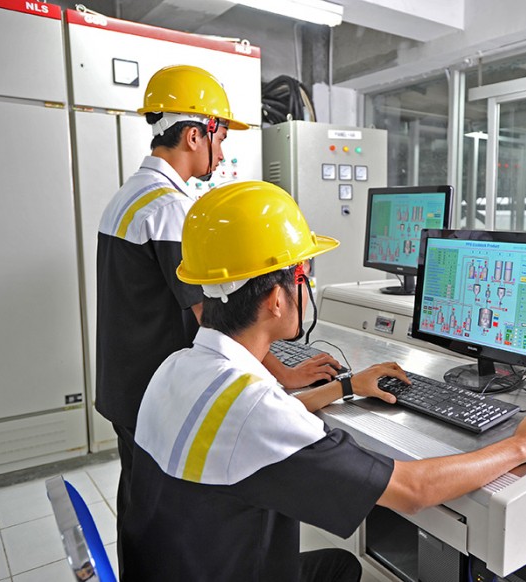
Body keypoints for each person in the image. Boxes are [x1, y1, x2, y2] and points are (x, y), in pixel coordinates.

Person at [122, 181, 526, 582]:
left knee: (338, 564)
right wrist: (522, 446)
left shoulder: (175, 368)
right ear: (276, 300)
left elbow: (247, 427)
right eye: (302, 275)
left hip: (179, 566)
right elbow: (413, 491)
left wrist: (345, 387)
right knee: (342, 567)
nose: (307, 287)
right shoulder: (253, 407)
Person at [95, 66, 342, 575]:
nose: (223, 151)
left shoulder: (127, 197)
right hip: (158, 394)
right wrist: (286, 376)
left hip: (132, 389)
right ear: (194, 135)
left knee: (145, 516)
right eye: (221, 136)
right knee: (189, 527)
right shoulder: (170, 210)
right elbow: (218, 319)